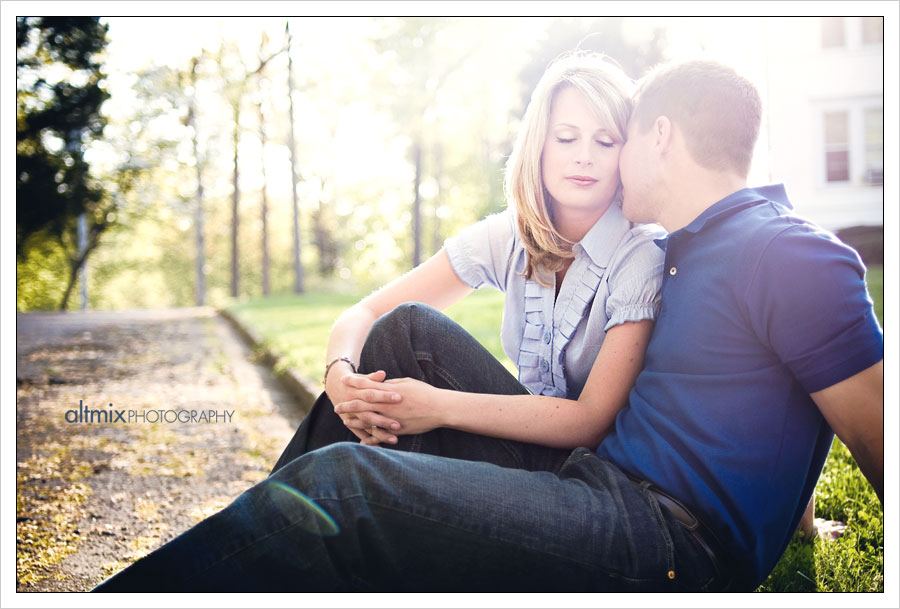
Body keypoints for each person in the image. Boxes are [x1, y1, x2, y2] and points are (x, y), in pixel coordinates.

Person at [93, 59, 883, 593]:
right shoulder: (693, 249)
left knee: (343, 488)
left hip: (662, 542)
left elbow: (875, 430)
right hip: (594, 482)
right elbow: (769, 394)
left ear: (659, 139)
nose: (597, 160)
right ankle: (269, 551)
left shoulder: (785, 254)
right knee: (402, 331)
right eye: (572, 139)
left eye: (617, 136)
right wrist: (805, 517)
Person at [269, 51, 663, 470]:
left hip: (589, 477)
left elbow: (589, 423)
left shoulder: (640, 255)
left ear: (627, 154)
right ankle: (297, 507)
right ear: (539, 146)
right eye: (566, 138)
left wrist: (439, 406)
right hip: (516, 447)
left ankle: (281, 513)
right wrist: (340, 380)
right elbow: (364, 312)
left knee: (411, 332)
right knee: (393, 344)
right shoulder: (511, 234)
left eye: (606, 141)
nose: (585, 155)